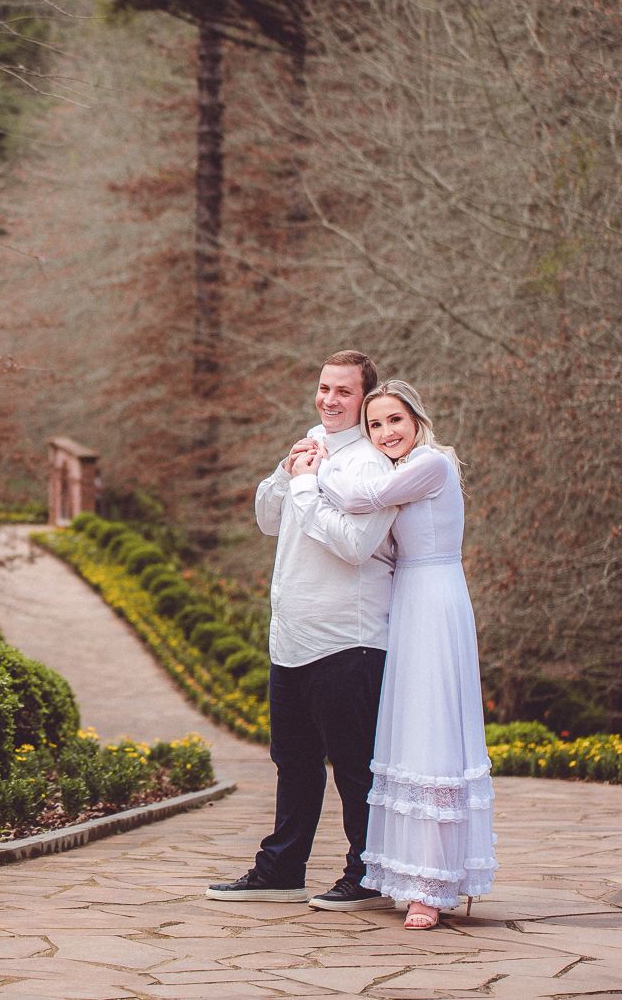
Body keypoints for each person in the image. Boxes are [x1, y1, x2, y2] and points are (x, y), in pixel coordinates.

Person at [207, 350, 398, 911]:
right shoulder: (309, 442)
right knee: (292, 760)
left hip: (350, 636)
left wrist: (307, 485)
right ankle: (281, 868)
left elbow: (355, 544)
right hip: (291, 636)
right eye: (323, 388)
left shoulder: (374, 461)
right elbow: (269, 517)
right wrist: (286, 471)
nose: (329, 400)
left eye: (342, 391)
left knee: (355, 765)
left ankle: (369, 872)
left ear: (366, 399)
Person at [309, 379, 496, 930]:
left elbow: (357, 499)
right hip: (405, 600)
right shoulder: (398, 472)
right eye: (375, 425)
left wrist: (314, 469)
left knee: (433, 730)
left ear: (416, 420)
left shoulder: (432, 465)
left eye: (395, 420)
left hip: (436, 599)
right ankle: (410, 874)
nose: (386, 432)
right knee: (408, 728)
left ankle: (430, 889)